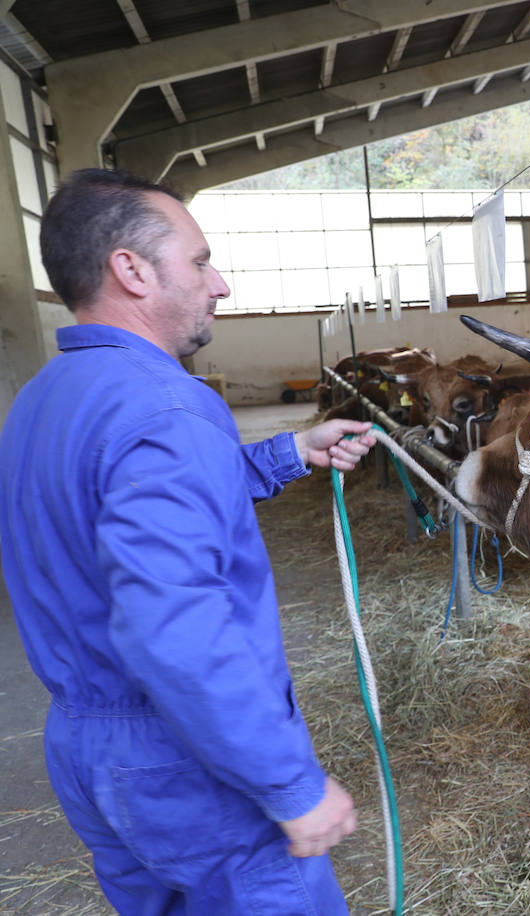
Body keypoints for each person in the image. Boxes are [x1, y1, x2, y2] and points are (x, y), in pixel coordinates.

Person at [0, 168, 373, 913]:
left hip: (85, 749)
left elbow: (120, 518)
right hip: (187, 762)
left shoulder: (42, 398)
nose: (220, 283)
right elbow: (175, 626)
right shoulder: (170, 407)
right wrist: (289, 783)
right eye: (200, 261)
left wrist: (289, 452)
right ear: (131, 269)